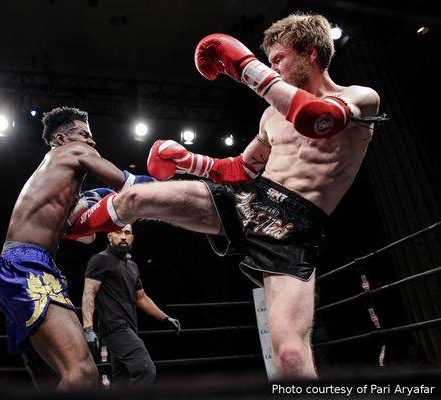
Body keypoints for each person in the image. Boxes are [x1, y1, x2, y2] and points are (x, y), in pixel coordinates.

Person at [66, 13, 382, 379]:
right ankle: (70, 226)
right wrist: (185, 160)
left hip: (296, 229)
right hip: (253, 200)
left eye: (279, 59)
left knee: (291, 357)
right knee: (137, 200)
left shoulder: (360, 98)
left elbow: (316, 117)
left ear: (310, 52)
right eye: (268, 62)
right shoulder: (270, 117)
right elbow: (240, 169)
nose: (273, 68)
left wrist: (242, 66)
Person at [0, 107, 154, 389]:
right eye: (83, 134)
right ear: (62, 138)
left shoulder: (53, 176)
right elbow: (131, 186)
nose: (90, 142)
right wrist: (189, 185)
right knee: (83, 375)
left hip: (22, 266)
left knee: (53, 378)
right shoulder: (73, 152)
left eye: (91, 137)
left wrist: (89, 204)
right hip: (27, 267)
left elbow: (83, 236)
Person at [82, 224, 180, 387]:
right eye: (118, 232)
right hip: (114, 328)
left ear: (132, 238)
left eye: (127, 233)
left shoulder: (132, 266)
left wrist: (165, 318)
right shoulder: (100, 259)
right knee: (146, 370)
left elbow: (141, 298)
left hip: (129, 328)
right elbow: (88, 293)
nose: (123, 236)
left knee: (121, 381)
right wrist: (88, 329)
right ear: (109, 236)